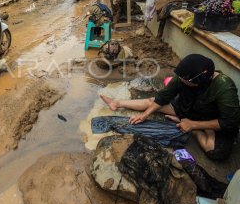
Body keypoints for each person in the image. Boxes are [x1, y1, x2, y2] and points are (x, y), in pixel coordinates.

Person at [100, 54, 240, 161]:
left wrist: (193, 125)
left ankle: (193, 129)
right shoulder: (183, 77)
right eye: (181, 79)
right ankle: (116, 103)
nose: (181, 81)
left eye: (186, 81)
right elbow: (163, 97)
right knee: (152, 102)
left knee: (214, 151)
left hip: (209, 119)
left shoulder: (224, 86)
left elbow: (230, 122)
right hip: (185, 108)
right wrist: (145, 115)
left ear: (201, 79)